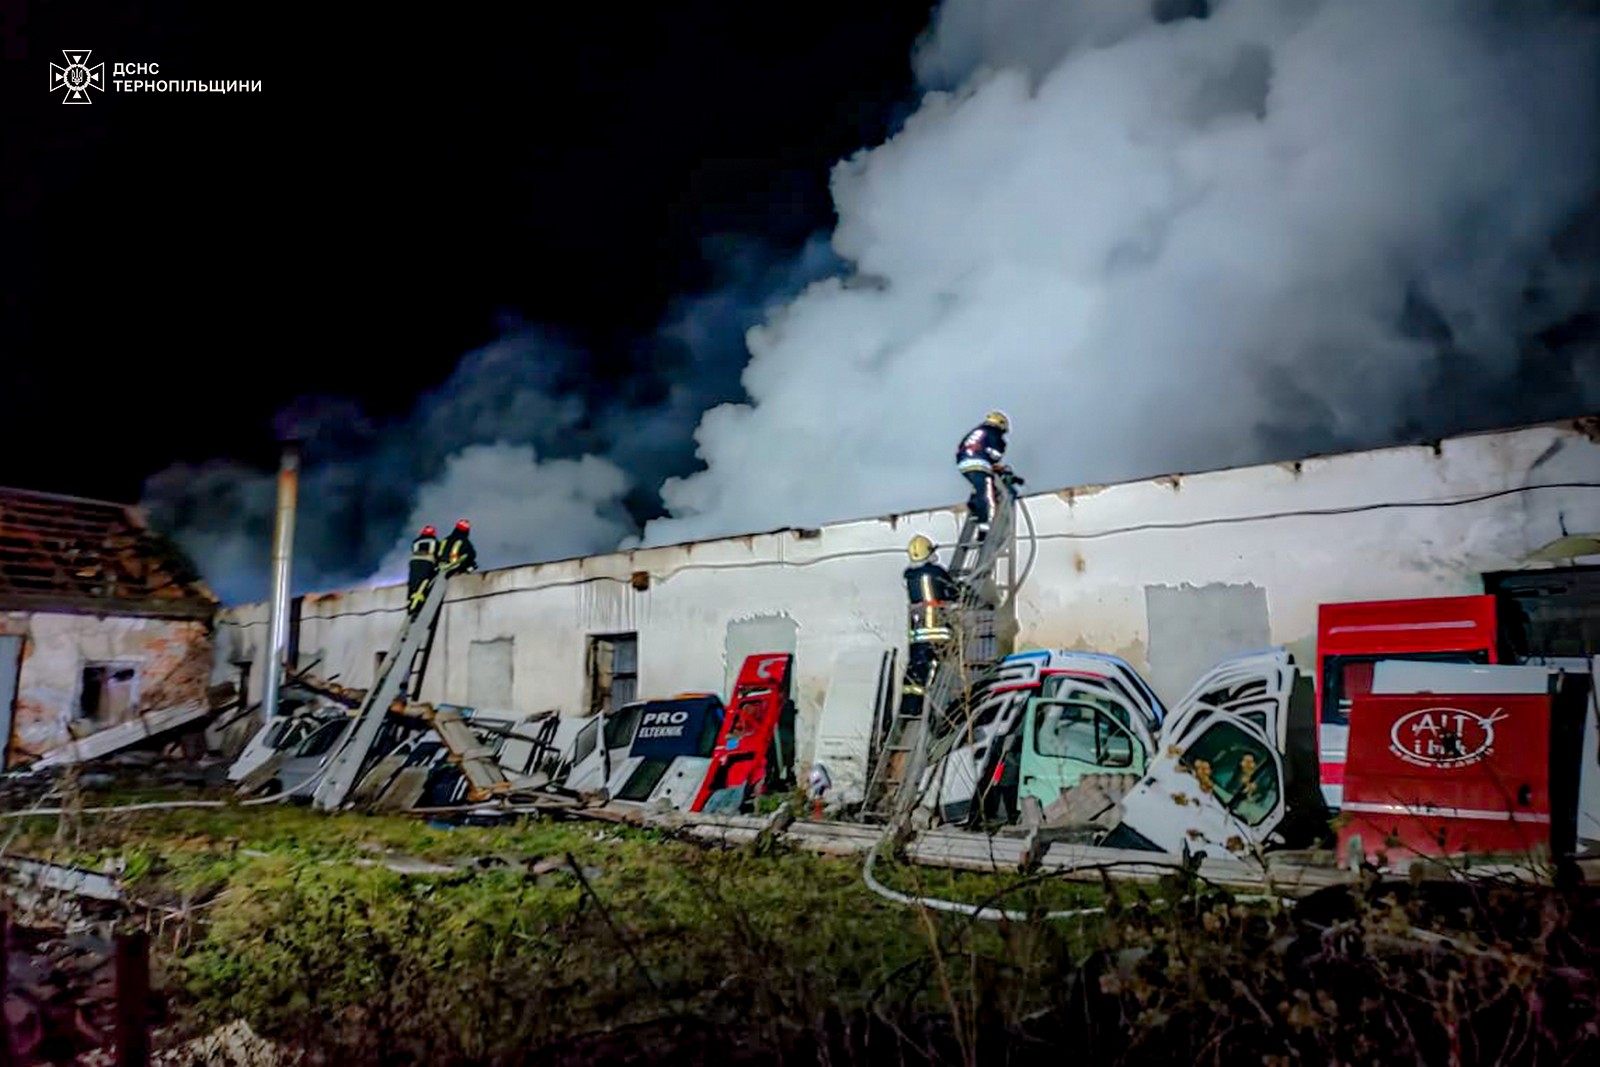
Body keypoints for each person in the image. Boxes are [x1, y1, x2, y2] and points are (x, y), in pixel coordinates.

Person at [901, 534, 960, 719]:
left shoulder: (909, 577)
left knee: (915, 670)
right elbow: (953, 593)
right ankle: (929, 707)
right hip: (937, 632)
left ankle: (909, 707)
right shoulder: (936, 573)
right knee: (933, 668)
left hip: (917, 633)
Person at [956, 410, 1010, 538]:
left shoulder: (976, 431)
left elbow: (962, 446)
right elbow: (996, 454)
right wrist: (994, 463)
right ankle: (984, 529)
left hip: (963, 463)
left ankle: (974, 504)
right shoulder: (995, 433)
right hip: (979, 463)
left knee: (979, 488)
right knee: (987, 495)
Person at [406, 525, 439, 616]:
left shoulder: (416, 542)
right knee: (424, 583)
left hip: (414, 562)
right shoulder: (435, 542)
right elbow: (437, 554)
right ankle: (417, 606)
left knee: (414, 582)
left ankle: (410, 602)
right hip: (427, 562)